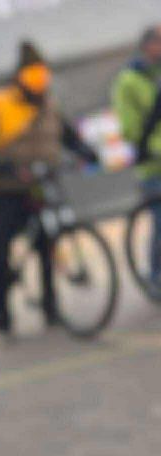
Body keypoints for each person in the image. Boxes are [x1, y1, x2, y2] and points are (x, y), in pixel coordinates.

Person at [0, 40, 99, 334]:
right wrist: (5, 168)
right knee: (0, 249)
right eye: (32, 76)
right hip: (6, 190)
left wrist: (86, 151)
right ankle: (2, 315)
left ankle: (51, 308)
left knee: (46, 244)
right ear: (19, 77)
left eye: (43, 75)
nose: (39, 82)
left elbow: (69, 137)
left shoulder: (50, 105)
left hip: (40, 187)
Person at [113, 26, 161, 284]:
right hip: (153, 167)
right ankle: (156, 276)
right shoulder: (128, 81)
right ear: (148, 46)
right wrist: (154, 149)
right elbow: (130, 129)